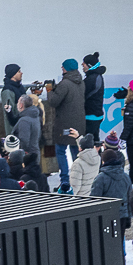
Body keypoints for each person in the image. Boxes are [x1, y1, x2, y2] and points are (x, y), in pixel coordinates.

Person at [44, 60, 86, 191]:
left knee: (60, 150)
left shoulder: (65, 83)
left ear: (67, 69)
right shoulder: (80, 82)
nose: (61, 67)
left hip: (65, 125)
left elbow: (53, 102)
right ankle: (77, 178)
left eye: (63, 66)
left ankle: (65, 180)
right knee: (75, 150)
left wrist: (49, 88)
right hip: (78, 124)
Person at [83, 53, 107, 142]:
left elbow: (83, 94)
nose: (82, 65)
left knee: (89, 142)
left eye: (84, 63)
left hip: (91, 114)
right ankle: (98, 155)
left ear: (89, 65)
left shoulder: (91, 79)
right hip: (97, 113)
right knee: (95, 139)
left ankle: (94, 155)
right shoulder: (97, 76)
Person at [1, 65, 26, 133]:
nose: (21, 73)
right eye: (19, 71)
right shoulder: (8, 91)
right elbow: (9, 113)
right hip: (15, 130)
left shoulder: (19, 87)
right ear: (13, 74)